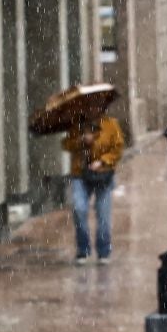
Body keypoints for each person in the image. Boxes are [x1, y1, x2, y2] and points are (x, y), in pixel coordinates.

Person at [62, 106, 125, 265]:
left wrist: (102, 161)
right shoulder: (77, 125)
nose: (92, 110)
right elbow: (66, 145)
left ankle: (104, 251)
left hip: (103, 175)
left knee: (103, 214)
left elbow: (118, 149)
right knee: (79, 208)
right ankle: (83, 249)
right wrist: (81, 140)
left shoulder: (111, 125)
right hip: (80, 174)